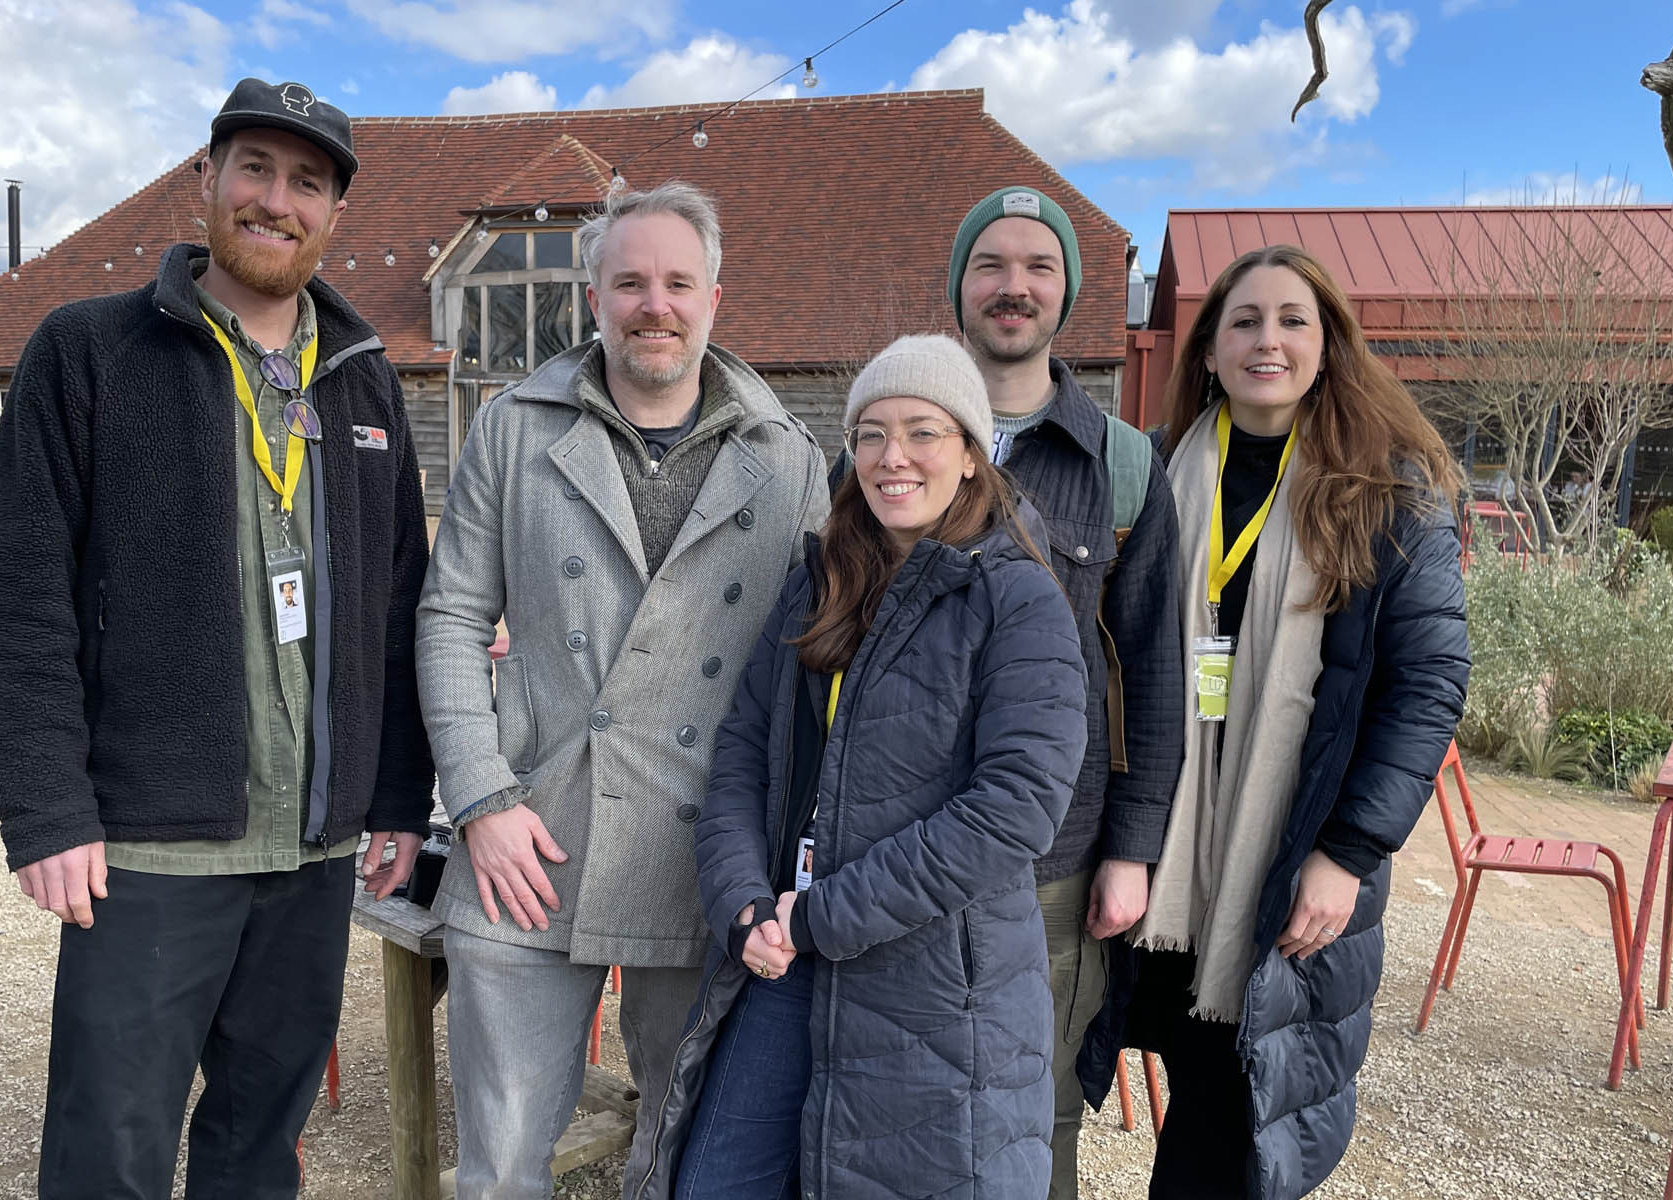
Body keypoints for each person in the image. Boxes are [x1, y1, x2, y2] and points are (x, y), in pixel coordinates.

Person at [0, 78, 435, 1198]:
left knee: (257, 1146)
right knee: (108, 1153)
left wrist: (391, 798)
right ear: (206, 181)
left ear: (334, 213)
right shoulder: (86, 354)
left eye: (307, 182)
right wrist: (45, 811)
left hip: (316, 851)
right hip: (149, 848)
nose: (277, 200)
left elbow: (397, 604)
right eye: (256, 171)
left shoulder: (363, 376)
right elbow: (19, 597)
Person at [415, 180, 829, 1199]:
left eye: (677, 283)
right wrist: (478, 799)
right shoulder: (512, 430)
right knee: (500, 1165)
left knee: (688, 1160)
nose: (656, 305)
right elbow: (449, 618)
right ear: (591, 298)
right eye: (630, 282)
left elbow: (819, 665)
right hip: (531, 843)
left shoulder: (787, 459)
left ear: (714, 300)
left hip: (707, 859)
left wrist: (787, 853)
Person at [637, 334, 1087, 1200]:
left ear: (969, 452)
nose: (892, 458)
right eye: (872, 434)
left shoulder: (1015, 598)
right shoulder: (820, 581)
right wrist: (739, 898)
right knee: (712, 1182)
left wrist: (823, 916)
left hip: (934, 984)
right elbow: (742, 751)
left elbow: (1013, 810)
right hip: (782, 950)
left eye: (922, 431)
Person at [1095, 244, 1469, 1200]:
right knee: (1200, 1084)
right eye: (1245, 321)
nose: (1269, 340)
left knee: (1233, 1128)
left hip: (1290, 854)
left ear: (1328, 344)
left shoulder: (1391, 494)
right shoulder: (1156, 477)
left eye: (1293, 320)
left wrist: (1347, 853)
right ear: (1209, 351)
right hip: (1169, 849)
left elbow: (1426, 688)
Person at [946, 187, 1184, 1187]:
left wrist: (1130, 851)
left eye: (1037, 268)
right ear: (958, 287)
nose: (1013, 286)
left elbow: (1158, 677)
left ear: (1067, 294)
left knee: (1033, 1116)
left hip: (1054, 862)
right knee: (898, 1094)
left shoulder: (1121, 465)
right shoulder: (891, 440)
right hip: (897, 844)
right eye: (990, 264)